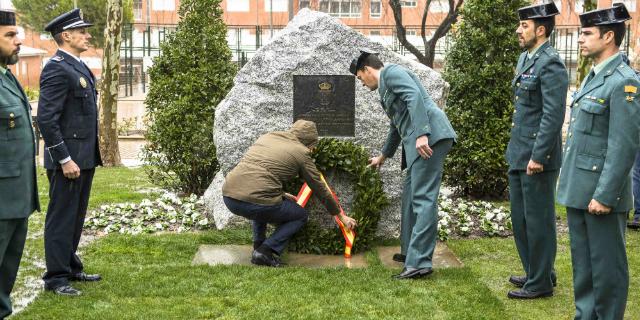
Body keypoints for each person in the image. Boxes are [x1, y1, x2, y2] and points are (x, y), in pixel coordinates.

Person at [556, 4, 640, 319]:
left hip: (601, 195)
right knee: (584, 269)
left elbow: (623, 144)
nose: (580, 39)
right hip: (580, 190)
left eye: (587, 33)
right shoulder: (595, 76)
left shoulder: (624, 82)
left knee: (607, 270)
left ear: (608, 36)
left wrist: (605, 195)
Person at [350, 50, 457, 279]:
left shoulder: (392, 73)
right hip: (423, 141)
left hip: (431, 139)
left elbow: (414, 97)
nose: (361, 83)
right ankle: (410, 251)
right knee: (410, 196)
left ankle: (419, 263)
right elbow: (396, 125)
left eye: (360, 78)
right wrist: (383, 156)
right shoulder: (384, 89)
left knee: (423, 199)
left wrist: (421, 134)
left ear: (367, 70)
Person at [222, 120, 357, 267]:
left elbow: (258, 173)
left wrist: (281, 194)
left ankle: (258, 246)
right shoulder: (301, 152)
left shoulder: (268, 137)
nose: (312, 150)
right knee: (299, 215)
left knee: (261, 202)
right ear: (309, 143)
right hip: (256, 199)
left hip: (229, 196)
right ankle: (265, 251)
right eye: (313, 147)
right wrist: (340, 215)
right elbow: (319, 187)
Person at [37, 9, 102, 296]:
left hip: (83, 158)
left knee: (75, 217)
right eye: (82, 31)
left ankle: (70, 266)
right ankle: (56, 277)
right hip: (69, 160)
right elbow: (46, 119)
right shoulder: (56, 67)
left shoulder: (77, 65)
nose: (88, 35)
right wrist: (64, 159)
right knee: (62, 218)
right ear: (66, 35)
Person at [505, 2, 567, 300]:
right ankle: (538, 271)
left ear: (541, 30)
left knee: (538, 220)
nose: (519, 30)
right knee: (521, 218)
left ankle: (540, 283)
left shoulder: (550, 62)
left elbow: (553, 116)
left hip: (537, 156)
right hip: (519, 151)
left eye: (524, 26)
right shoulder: (525, 58)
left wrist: (538, 157)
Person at [0, 10, 39, 319]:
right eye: (10, 36)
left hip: (16, 193)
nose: (19, 41)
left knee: (7, 269)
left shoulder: (6, 75)